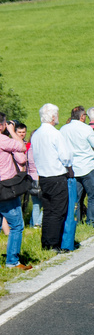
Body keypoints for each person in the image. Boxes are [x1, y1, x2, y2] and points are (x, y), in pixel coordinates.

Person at [30, 104, 72, 252]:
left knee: (48, 210)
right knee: (58, 211)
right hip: (56, 175)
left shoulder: (36, 134)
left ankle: (46, 242)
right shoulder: (55, 133)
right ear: (53, 117)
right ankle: (54, 243)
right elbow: (66, 157)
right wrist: (69, 165)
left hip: (43, 176)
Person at [60, 106, 94, 227]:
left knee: (75, 198)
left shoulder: (63, 129)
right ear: (82, 116)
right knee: (93, 195)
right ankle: (92, 221)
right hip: (87, 165)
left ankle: (75, 221)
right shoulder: (86, 128)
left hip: (72, 168)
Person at [0, 114, 31, 270]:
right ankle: (12, 261)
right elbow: (21, 147)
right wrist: (12, 131)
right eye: (5, 124)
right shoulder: (3, 139)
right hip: (5, 187)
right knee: (17, 225)